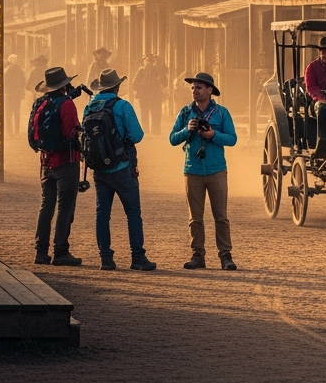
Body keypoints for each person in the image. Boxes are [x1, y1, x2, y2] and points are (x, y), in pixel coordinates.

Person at [82, 68, 155, 271]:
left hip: (98, 169)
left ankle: (106, 258)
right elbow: (137, 135)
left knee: (102, 213)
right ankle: (137, 257)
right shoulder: (123, 106)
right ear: (117, 86)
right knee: (132, 212)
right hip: (122, 166)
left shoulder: (89, 107)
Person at [170, 72, 239, 270]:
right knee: (195, 217)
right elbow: (173, 139)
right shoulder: (185, 113)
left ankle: (225, 256)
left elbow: (232, 139)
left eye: (199, 87)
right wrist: (187, 130)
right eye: (192, 87)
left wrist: (213, 134)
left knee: (221, 216)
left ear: (210, 90)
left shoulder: (221, 113)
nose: (194, 91)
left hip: (216, 170)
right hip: (192, 170)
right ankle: (197, 255)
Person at [29, 67, 84, 266]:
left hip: (45, 161)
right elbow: (70, 131)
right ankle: (61, 251)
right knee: (65, 206)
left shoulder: (40, 102)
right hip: (66, 161)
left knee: (46, 206)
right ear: (65, 85)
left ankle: (41, 252)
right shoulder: (67, 104)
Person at [133, 54, 163, 134]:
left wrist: (157, 81)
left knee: (156, 114)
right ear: (144, 61)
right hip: (144, 96)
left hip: (155, 96)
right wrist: (142, 84)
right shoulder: (141, 71)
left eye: (151, 61)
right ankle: (145, 130)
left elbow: (164, 82)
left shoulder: (157, 71)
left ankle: (156, 131)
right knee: (144, 114)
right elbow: (134, 84)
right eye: (147, 61)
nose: (149, 63)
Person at [4, 54, 26, 137]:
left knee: (8, 113)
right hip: (17, 94)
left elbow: (4, 82)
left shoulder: (6, 70)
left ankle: (10, 131)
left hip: (9, 94)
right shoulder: (20, 70)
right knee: (16, 112)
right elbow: (23, 81)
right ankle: (17, 131)